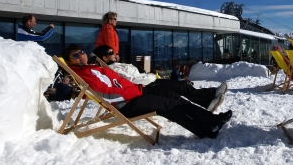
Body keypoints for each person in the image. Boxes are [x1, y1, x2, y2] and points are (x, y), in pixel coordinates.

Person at [63, 44, 232, 139]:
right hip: (127, 103)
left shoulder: (91, 67)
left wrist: (137, 89)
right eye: (75, 55)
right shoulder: (85, 73)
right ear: (70, 62)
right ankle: (206, 130)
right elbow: (107, 93)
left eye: (82, 52)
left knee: (174, 97)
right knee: (170, 105)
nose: (81, 56)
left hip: (135, 93)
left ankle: (211, 120)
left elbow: (119, 84)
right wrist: (135, 91)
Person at [93, 45, 227, 112]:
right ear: (104, 58)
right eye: (111, 53)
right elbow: (132, 81)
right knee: (180, 87)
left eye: (114, 52)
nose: (115, 54)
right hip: (146, 87)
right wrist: (151, 76)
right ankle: (210, 96)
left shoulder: (117, 65)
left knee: (181, 86)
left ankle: (208, 101)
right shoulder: (113, 70)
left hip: (149, 82)